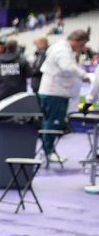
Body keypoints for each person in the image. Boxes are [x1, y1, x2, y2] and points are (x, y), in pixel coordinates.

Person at [38, 27, 89, 162]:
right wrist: (84, 75)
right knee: (52, 123)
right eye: (82, 44)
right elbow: (67, 67)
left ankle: (49, 150)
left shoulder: (66, 50)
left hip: (58, 93)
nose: (82, 48)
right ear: (75, 40)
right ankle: (48, 151)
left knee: (54, 122)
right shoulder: (62, 50)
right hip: (54, 93)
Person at [0, 38, 33, 103]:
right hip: (19, 94)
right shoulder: (22, 60)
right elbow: (29, 75)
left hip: (2, 92)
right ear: (16, 47)